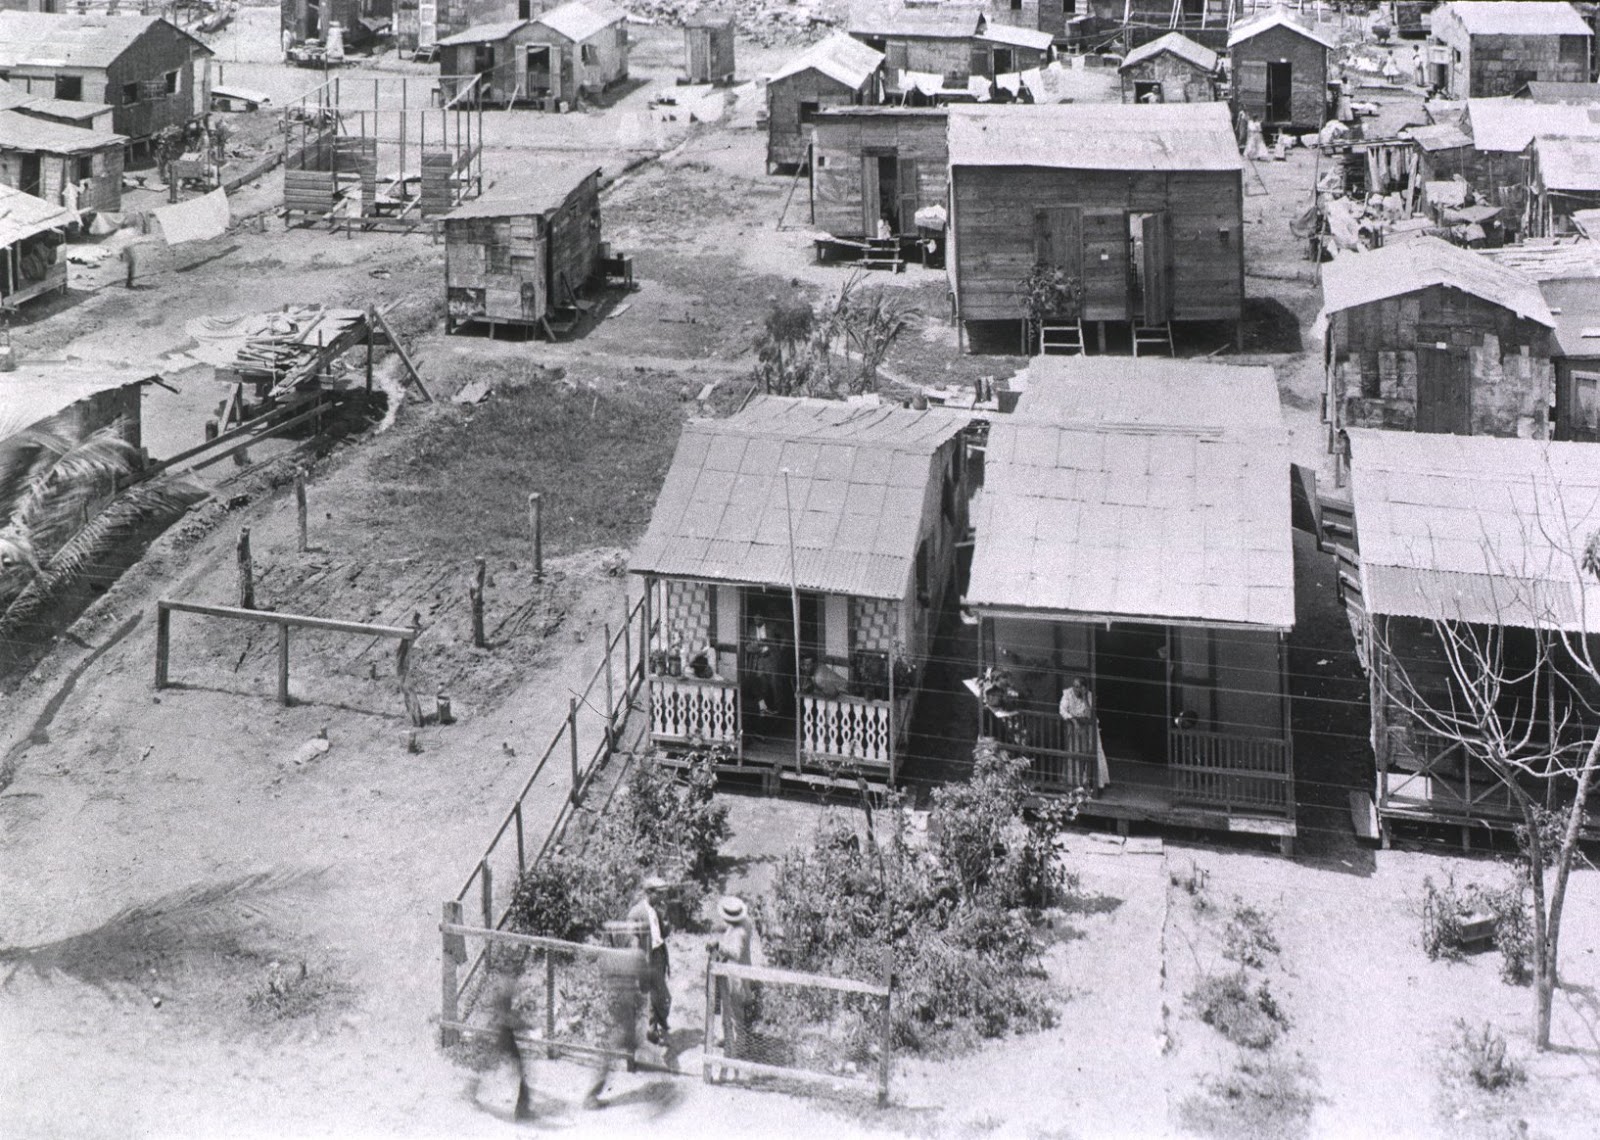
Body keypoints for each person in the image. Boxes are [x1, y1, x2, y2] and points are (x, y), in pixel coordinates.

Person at [585, 925, 647, 1109]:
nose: (635, 939)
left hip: (616, 1006)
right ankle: (591, 1096)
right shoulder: (634, 957)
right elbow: (645, 983)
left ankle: (593, 1094)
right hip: (624, 1008)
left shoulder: (609, 957)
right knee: (617, 1047)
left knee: (624, 1044)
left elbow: (597, 966)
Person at [709, 896, 760, 1067]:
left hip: (735, 976)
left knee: (735, 1012)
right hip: (738, 973)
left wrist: (719, 945)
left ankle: (739, 1047)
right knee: (729, 1009)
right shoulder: (745, 922)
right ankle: (728, 1038)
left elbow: (736, 953)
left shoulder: (739, 933)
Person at [627, 876, 672, 1046]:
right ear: (649, 893)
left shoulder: (658, 909)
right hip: (647, 958)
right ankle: (653, 1031)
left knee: (662, 996)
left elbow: (664, 934)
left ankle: (658, 1022)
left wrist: (665, 916)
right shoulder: (636, 913)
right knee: (655, 997)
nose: (662, 897)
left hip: (659, 955)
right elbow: (632, 939)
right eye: (659, 893)